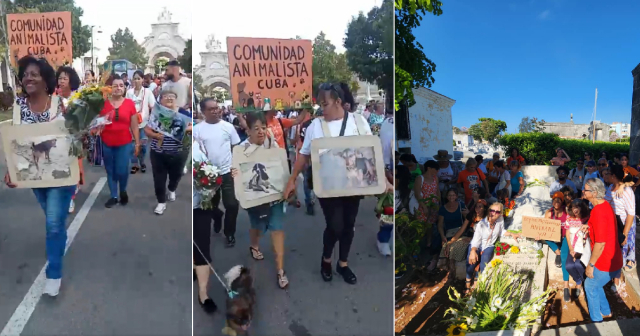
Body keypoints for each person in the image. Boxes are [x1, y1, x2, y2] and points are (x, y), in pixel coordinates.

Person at [282, 82, 391, 284]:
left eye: (325, 104)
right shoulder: (316, 125)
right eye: (320, 104)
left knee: (348, 225)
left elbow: (371, 154)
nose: (321, 108)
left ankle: (343, 264)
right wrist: (292, 180)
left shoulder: (359, 122)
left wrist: (383, 180)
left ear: (338, 102)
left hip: (354, 185)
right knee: (335, 225)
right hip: (328, 186)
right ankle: (326, 260)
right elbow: (304, 155)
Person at [4, 56, 76, 296]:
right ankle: (59, 240)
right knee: (52, 220)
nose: (28, 78)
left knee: (53, 223)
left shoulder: (62, 104)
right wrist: (11, 170)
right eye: (25, 74)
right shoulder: (18, 107)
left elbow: (75, 135)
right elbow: (16, 143)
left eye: (34, 73)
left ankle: (53, 275)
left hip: (61, 173)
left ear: (46, 80)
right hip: (34, 175)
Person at [230, 112, 289, 289]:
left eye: (263, 128)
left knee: (277, 229)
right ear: (248, 131)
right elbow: (237, 171)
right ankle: (254, 245)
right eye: (256, 128)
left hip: (275, 198)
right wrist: (236, 174)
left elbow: (281, 166)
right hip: (255, 199)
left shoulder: (273, 144)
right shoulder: (241, 150)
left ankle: (280, 270)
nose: (261, 132)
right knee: (258, 227)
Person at [193, 98, 240, 247]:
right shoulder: (198, 130)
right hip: (207, 175)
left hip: (227, 172)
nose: (216, 111)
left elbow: (236, 148)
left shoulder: (228, 127)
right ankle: (217, 216)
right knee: (209, 206)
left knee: (232, 205)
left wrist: (236, 168)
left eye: (217, 108)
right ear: (203, 112)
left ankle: (229, 233)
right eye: (211, 109)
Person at [582, 178, 623, 323]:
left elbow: (600, 243)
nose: (583, 191)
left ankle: (596, 321)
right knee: (595, 283)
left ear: (593, 193)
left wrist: (590, 265)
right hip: (613, 257)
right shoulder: (603, 205)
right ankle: (606, 311)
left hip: (605, 260)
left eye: (585, 189)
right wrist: (589, 225)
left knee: (590, 285)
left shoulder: (599, 212)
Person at [145, 90, 191, 215]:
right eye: (166, 97)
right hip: (158, 151)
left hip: (179, 152)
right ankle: (161, 202)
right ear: (160, 100)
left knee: (176, 175)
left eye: (172, 96)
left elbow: (193, 127)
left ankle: (172, 188)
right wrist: (156, 135)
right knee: (159, 178)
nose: (169, 98)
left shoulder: (183, 113)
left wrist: (184, 128)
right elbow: (147, 130)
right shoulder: (156, 112)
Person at [98, 74, 140, 208]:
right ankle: (114, 196)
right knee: (110, 170)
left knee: (122, 170)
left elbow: (134, 125)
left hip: (124, 143)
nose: (118, 88)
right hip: (107, 142)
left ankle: (123, 190)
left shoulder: (129, 103)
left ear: (125, 88)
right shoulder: (103, 104)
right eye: (115, 86)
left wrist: (137, 142)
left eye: (121, 86)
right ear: (110, 88)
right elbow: (97, 123)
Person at [466, 202, 521, 293]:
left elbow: (502, 231)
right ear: (489, 211)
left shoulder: (500, 220)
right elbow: (475, 240)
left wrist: (512, 234)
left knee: (484, 265)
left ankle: (477, 282)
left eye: (497, 212)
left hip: (489, 245)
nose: (494, 213)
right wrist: (473, 251)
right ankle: (467, 284)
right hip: (477, 246)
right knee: (470, 264)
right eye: (492, 210)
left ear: (500, 213)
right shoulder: (481, 224)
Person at [192, 141, 218, 314]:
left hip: (200, 205)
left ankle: (203, 293)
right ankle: (193, 264)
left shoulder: (197, 149)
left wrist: (209, 185)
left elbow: (211, 175)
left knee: (202, 248)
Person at [56, 66, 84, 214]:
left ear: (71, 80)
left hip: (74, 139)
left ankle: (71, 196)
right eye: (59, 78)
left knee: (73, 169)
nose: (61, 81)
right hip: (58, 140)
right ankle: (68, 196)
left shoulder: (78, 97)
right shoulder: (54, 98)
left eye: (64, 78)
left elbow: (83, 119)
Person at [604, 165, 636, 279]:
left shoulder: (627, 191)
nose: (606, 175)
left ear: (613, 176)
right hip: (613, 224)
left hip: (624, 225)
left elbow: (631, 213)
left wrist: (625, 233)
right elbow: (606, 203)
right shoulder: (611, 187)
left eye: (608, 173)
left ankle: (617, 279)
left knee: (622, 251)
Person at [427, 188, 468, 274]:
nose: (451, 197)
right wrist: (442, 236)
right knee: (440, 243)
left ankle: (452, 269)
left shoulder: (461, 205)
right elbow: (440, 225)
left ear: (456, 196)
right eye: (449, 195)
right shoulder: (443, 209)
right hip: (449, 231)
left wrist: (467, 214)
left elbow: (467, 220)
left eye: (453, 195)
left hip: (461, 230)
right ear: (446, 196)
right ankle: (437, 262)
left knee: (454, 245)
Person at [126, 70, 156, 174]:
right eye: (135, 78)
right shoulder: (129, 92)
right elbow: (126, 107)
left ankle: (142, 162)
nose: (137, 80)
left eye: (139, 78)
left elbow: (153, 107)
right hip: (131, 125)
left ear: (142, 80)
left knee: (143, 145)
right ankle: (134, 164)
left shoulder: (147, 92)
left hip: (144, 124)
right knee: (132, 145)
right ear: (132, 80)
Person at [564, 199, 590, 301]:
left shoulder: (587, 218)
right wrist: (570, 248)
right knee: (569, 265)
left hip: (584, 248)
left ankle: (582, 284)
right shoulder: (569, 218)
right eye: (574, 207)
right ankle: (579, 280)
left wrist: (579, 253)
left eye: (578, 207)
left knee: (579, 264)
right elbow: (567, 233)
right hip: (573, 247)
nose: (575, 210)